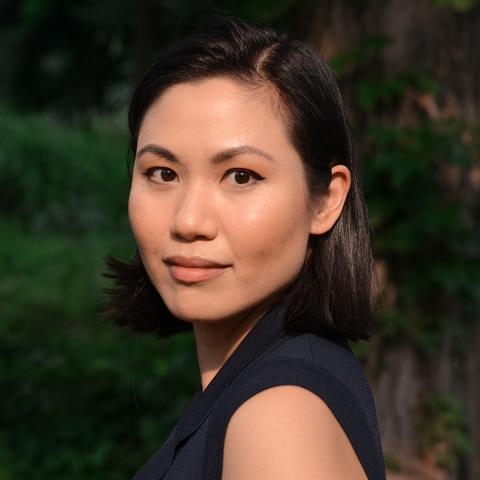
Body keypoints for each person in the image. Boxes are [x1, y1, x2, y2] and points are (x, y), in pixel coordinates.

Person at [100, 12, 386, 480]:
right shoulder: (274, 381)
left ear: (326, 200)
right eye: (162, 174)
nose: (189, 221)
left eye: (241, 176)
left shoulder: (277, 417)